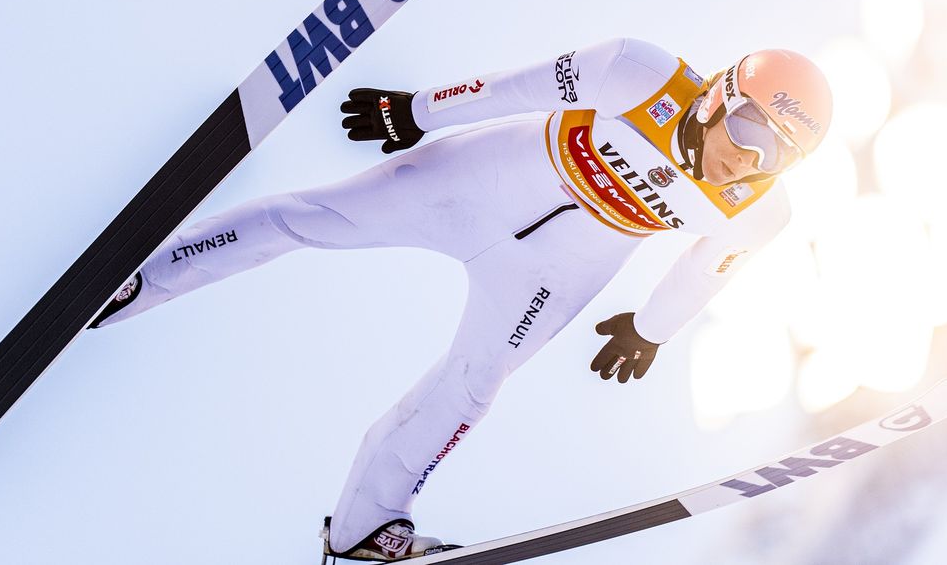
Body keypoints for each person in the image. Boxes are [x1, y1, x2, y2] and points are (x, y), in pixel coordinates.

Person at [91, 38, 833, 561]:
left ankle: (365, 524)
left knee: (474, 386)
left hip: (551, 273)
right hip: (468, 188)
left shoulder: (757, 207)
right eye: (744, 130)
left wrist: (652, 328)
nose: (746, 159)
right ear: (718, 96)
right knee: (308, 220)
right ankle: (139, 278)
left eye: (777, 156)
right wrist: (416, 109)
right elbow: (517, 86)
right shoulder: (639, 73)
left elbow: (709, 268)